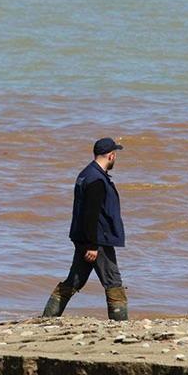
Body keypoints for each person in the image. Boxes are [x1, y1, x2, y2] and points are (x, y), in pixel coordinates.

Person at [42, 137, 129, 321]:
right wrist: (92, 245)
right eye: (116, 154)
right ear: (111, 155)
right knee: (113, 281)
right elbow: (91, 214)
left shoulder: (86, 174)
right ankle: (121, 325)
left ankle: (47, 318)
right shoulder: (97, 179)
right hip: (97, 240)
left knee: (75, 280)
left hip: (86, 238)